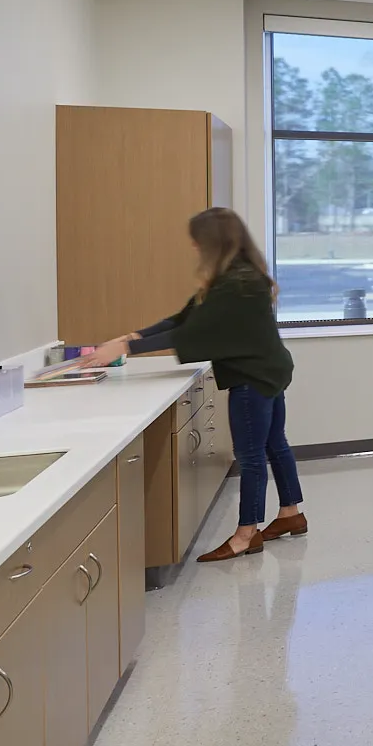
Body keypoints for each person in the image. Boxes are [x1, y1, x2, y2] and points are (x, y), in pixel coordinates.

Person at [66, 209, 301, 563]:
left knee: (251, 457)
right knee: (275, 445)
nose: (192, 246)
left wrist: (127, 348)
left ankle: (246, 534)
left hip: (254, 377)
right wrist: (134, 335)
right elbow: (185, 318)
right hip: (269, 370)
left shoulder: (237, 285)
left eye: (197, 240)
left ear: (211, 242)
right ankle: (290, 514)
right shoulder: (237, 277)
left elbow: (192, 333)